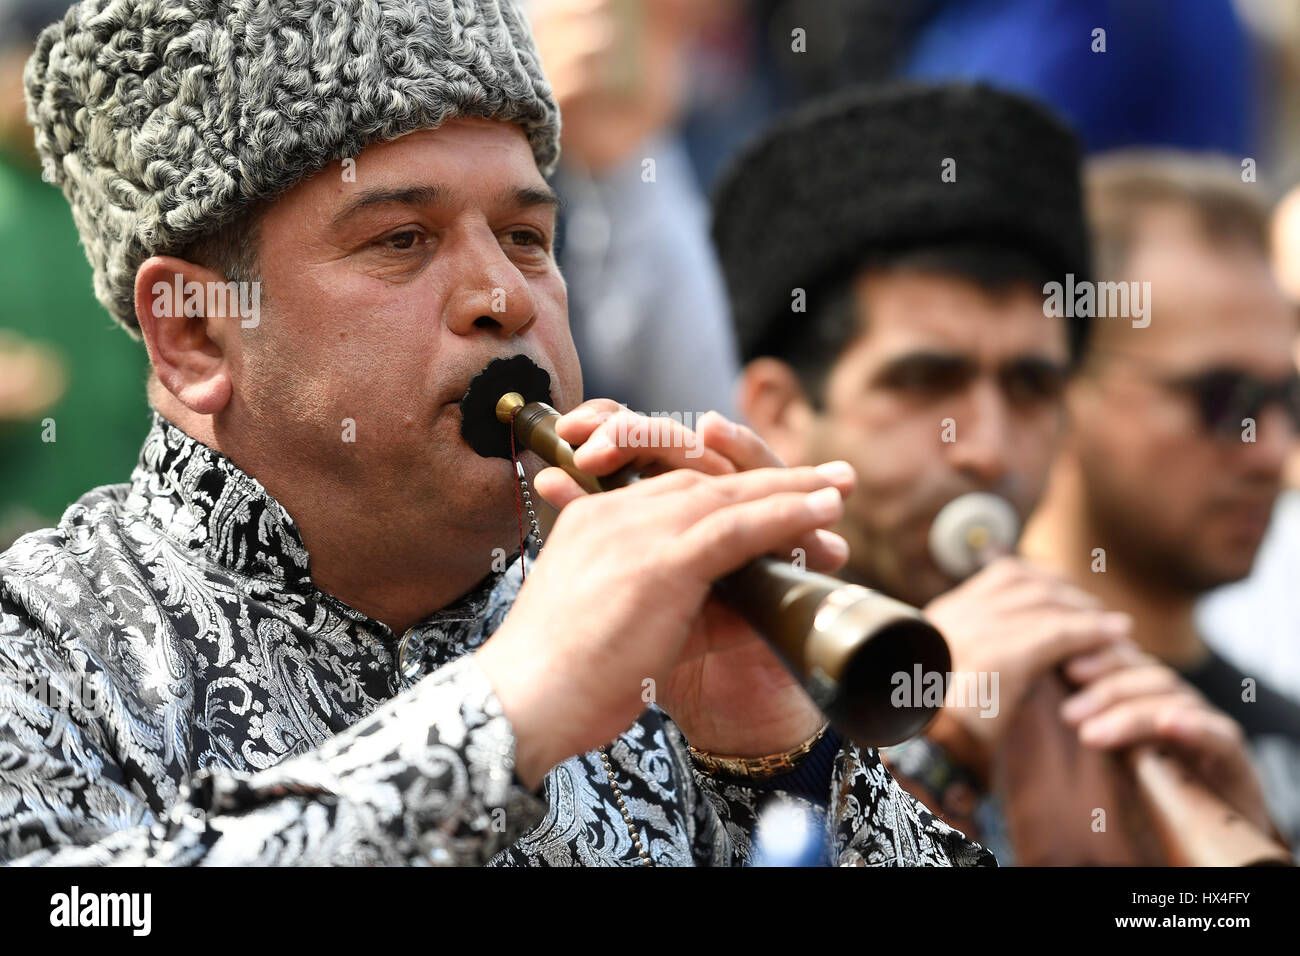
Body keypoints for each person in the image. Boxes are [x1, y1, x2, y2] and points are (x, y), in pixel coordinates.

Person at [0, 0, 990, 867]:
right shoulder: (39, 648)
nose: (502, 296)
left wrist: (779, 760)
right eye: (401, 239)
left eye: (526, 237)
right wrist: (500, 715)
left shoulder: (643, 640)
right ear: (194, 334)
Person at [711, 83, 1284, 864]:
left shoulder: (1079, 715)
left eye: (1031, 388)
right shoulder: (676, 683)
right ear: (778, 410)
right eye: (923, 381)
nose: (987, 447)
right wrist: (931, 748)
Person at [1021, 151, 1300, 849]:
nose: (1270, 450)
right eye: (1220, 398)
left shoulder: (1282, 746)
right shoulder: (926, 709)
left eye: (1286, 398)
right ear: (1058, 392)